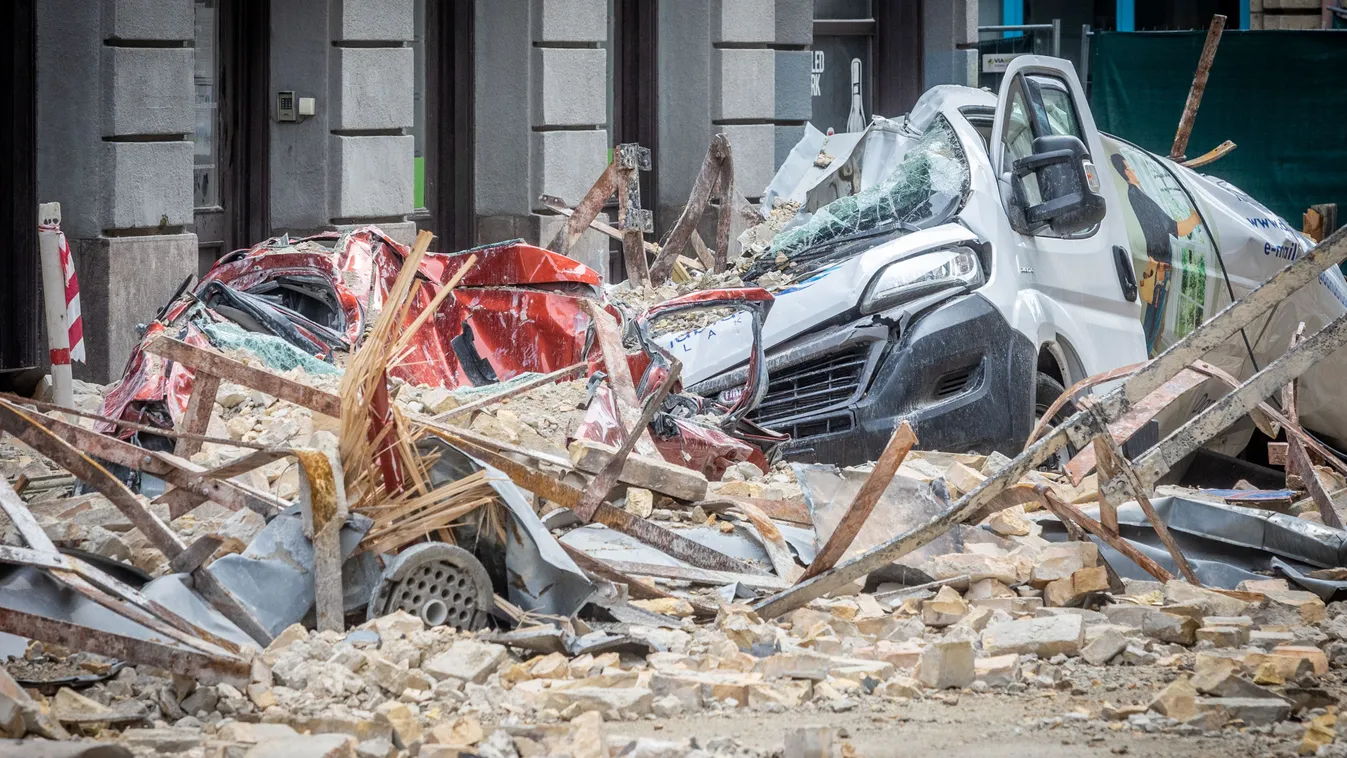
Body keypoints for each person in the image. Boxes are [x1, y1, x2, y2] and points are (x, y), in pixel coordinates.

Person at [1111, 153, 1202, 354]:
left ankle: (1141, 359)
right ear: (1127, 172)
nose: (1134, 170)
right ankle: (1142, 363)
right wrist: (1197, 217)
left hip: (1157, 267)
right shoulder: (1139, 196)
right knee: (1151, 326)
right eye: (1130, 167)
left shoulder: (1138, 195)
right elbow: (1176, 229)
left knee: (1151, 322)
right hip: (1158, 269)